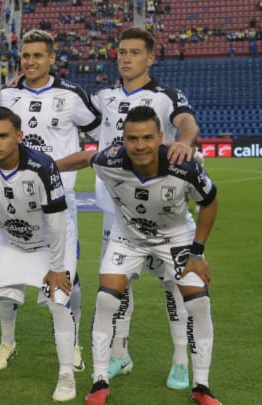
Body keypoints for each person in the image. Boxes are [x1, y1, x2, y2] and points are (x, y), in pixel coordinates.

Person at [55, 106, 220, 405]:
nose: (140, 145)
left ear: (160, 137)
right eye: (132, 139)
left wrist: (197, 252)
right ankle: (99, 381)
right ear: (123, 139)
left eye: (147, 137)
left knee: (199, 304)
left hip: (176, 237)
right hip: (128, 237)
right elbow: (85, 158)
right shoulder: (112, 159)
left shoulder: (184, 166)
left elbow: (209, 202)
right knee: (106, 300)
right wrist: (50, 167)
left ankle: (202, 386)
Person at [89, 27, 199, 390]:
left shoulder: (167, 96)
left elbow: (187, 123)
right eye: (121, 51)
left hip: (163, 212)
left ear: (151, 58)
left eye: (135, 52)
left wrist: (184, 141)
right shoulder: (103, 96)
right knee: (118, 288)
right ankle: (119, 354)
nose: (126, 57)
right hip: (115, 210)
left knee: (173, 285)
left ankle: (181, 361)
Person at [0, 29, 100, 372]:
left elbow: (100, 139)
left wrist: (54, 166)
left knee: (68, 274)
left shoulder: (72, 95)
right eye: (25, 56)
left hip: (59, 200)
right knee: (7, 270)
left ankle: (72, 345)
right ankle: (6, 342)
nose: (30, 62)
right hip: (14, 197)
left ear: (52, 58)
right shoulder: (6, 95)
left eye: (38, 56)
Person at [0, 107, 76, 402]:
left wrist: (57, 267)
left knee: (58, 300)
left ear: (19, 136)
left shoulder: (42, 166)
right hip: (11, 243)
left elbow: (58, 222)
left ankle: (66, 375)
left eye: (3, 136)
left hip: (50, 246)